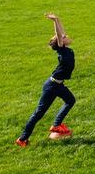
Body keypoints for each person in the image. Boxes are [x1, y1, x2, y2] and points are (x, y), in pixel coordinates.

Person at [16, 13, 75, 147]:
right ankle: (22, 139)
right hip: (51, 86)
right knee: (38, 114)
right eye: (64, 37)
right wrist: (54, 22)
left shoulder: (66, 49)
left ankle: (56, 125)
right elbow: (59, 34)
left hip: (58, 85)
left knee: (70, 100)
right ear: (60, 42)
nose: (66, 36)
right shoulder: (62, 49)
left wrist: (58, 19)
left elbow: (62, 33)